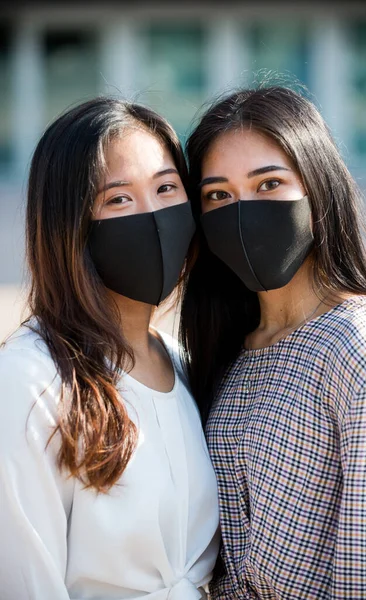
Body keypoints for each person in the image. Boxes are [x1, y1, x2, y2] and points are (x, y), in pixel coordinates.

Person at [179, 85, 366, 599]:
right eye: (218, 195)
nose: (242, 212)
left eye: (269, 183)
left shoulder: (360, 348)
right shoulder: (229, 350)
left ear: (318, 188)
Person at [0, 97, 219, 600]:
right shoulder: (30, 381)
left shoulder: (182, 362)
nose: (154, 216)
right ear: (69, 225)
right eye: (119, 199)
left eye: (167, 189)